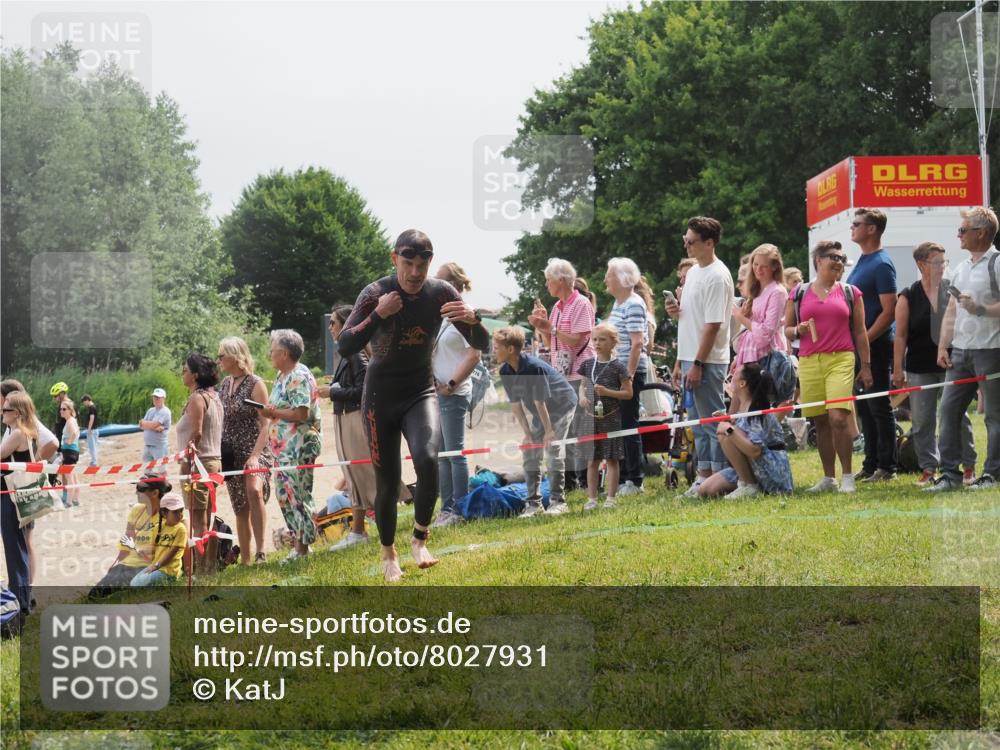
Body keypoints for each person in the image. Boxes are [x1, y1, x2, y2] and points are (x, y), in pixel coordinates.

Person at [338, 230, 489, 581]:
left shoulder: (441, 293)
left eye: (422, 265)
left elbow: (480, 344)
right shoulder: (376, 292)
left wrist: (473, 320)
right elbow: (345, 344)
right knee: (387, 481)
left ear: (430, 264)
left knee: (428, 458)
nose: (415, 273)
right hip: (379, 396)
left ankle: (420, 538)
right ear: (395, 259)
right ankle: (388, 553)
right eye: (408, 264)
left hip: (419, 391)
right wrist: (377, 315)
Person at [785, 240, 871, 493]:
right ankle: (828, 478)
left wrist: (865, 366)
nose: (838, 262)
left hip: (841, 358)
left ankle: (847, 476)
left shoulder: (851, 293)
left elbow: (860, 331)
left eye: (842, 258)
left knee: (838, 417)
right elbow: (787, 330)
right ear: (818, 260)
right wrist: (797, 329)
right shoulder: (798, 292)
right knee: (820, 421)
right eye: (833, 257)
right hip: (810, 360)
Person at [927, 206, 1000, 492]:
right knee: (947, 410)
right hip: (960, 352)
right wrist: (943, 346)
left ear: (980, 233)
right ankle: (949, 475)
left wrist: (981, 308)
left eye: (962, 230)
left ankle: (992, 474)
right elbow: (952, 310)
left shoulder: (997, 264)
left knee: (994, 416)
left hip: (992, 349)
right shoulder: (960, 267)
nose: (958, 235)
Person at [893, 242, 977, 487]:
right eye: (937, 262)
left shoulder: (953, 291)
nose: (942, 267)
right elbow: (900, 336)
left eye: (944, 262)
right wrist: (898, 369)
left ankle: (968, 466)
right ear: (921, 265)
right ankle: (929, 468)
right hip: (919, 366)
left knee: (957, 416)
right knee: (921, 420)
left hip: (952, 363)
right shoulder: (907, 295)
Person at [664, 217, 734, 497]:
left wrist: (698, 363)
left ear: (710, 243)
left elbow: (713, 324)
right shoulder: (693, 272)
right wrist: (675, 310)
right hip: (692, 358)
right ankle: (703, 475)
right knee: (698, 424)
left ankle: (718, 478)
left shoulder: (718, 275)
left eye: (691, 241)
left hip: (708, 361)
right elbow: (691, 319)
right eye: (685, 240)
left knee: (712, 423)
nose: (686, 245)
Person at [494, 325, 579, 516]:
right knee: (530, 454)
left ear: (510, 349)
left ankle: (558, 502)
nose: (494, 351)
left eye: (497, 347)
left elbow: (540, 403)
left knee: (553, 450)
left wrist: (549, 432)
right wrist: (528, 435)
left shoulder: (534, 367)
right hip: (543, 411)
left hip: (562, 404)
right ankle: (533, 504)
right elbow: (516, 405)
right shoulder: (505, 371)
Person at [528, 258, 595, 492]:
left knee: (582, 427)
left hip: (580, 372)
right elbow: (551, 342)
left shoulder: (581, 303)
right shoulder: (557, 307)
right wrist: (542, 326)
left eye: (548, 280)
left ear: (562, 280)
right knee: (564, 428)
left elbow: (578, 339)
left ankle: (586, 480)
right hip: (561, 375)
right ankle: (570, 482)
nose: (546, 284)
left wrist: (551, 328)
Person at [260, 329, 323, 562]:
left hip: (298, 447)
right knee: (284, 496)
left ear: (284, 353)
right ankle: (298, 545)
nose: (270, 354)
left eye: (273, 350)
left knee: (298, 496)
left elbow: (301, 413)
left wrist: (271, 412)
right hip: (283, 449)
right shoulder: (281, 376)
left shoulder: (298, 375)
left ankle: (304, 548)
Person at [432, 263, 485, 528]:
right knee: (442, 453)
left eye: (439, 280)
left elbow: (474, 354)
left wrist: (451, 384)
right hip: (436, 392)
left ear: (452, 285)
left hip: (454, 392)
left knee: (454, 452)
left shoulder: (465, 315)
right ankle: (447, 508)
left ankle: (460, 509)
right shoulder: (441, 315)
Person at [848, 208, 898, 482]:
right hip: (860, 345)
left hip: (876, 345)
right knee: (865, 406)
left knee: (879, 404)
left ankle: (886, 466)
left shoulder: (881, 263)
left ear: (872, 229)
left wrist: (865, 338)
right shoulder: (862, 261)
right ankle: (870, 463)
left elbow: (889, 310)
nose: (852, 228)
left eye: (857, 224)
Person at [697, 362, 793, 499]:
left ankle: (749, 486)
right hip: (752, 467)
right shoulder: (742, 410)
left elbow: (755, 451)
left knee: (724, 432)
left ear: (742, 384)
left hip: (773, 474)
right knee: (705, 491)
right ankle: (748, 483)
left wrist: (730, 430)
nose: (732, 374)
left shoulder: (756, 413)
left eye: (736, 372)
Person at [1, 380, 59, 605]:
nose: (2, 411)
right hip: (21, 493)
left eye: (6, 408)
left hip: (11, 495)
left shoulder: (16, 434)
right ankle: (23, 597)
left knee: (15, 548)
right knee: (20, 546)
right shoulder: (26, 431)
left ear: (16, 412)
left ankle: (20, 600)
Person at [218, 336, 272, 565]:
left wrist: (255, 456)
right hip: (231, 452)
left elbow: (266, 423)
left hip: (255, 448)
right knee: (240, 506)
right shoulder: (224, 384)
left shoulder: (255, 384)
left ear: (235, 356)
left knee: (255, 491)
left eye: (222, 355)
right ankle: (246, 560)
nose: (218, 359)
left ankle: (261, 551)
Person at [604, 257, 650, 496]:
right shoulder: (618, 304)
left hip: (628, 373)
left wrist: (628, 377)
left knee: (628, 425)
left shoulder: (633, 304)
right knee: (618, 425)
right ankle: (622, 477)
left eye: (609, 275)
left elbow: (637, 344)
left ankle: (635, 479)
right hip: (617, 372)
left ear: (622, 280)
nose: (605, 279)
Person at [576, 323, 633, 510]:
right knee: (592, 459)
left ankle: (611, 498)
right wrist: (582, 396)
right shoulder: (587, 365)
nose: (597, 343)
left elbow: (628, 393)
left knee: (611, 459)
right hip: (591, 418)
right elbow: (582, 385)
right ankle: (591, 499)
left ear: (612, 342)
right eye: (594, 339)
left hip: (611, 418)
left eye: (602, 339)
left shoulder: (618, 366)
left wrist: (608, 392)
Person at [88, 474, 173, 597]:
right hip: (129, 564)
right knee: (94, 595)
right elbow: (127, 538)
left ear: (155, 493)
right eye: (136, 488)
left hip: (148, 565)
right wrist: (117, 564)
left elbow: (178, 546)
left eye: (141, 489)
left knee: (122, 594)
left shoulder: (170, 515)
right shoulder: (137, 509)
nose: (136, 492)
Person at [175, 352, 223, 567]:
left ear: (195, 375)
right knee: (206, 515)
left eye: (184, 370)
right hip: (213, 461)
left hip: (198, 462)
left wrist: (187, 455)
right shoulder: (214, 396)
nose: (182, 373)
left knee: (197, 519)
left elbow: (197, 433)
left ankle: (202, 568)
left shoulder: (197, 398)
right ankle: (208, 565)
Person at [732, 244, 788, 375]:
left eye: (764, 266)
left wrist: (741, 318)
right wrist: (739, 356)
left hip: (766, 356)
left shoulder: (777, 292)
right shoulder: (756, 290)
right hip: (750, 353)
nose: (758, 269)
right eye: (755, 264)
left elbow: (765, 334)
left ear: (775, 267)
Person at [130, 493, 187, 587]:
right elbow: (154, 548)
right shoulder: (158, 527)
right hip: (158, 566)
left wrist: (156, 566)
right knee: (133, 583)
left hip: (169, 571)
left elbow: (172, 553)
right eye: (175, 512)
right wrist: (142, 552)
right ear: (164, 513)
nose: (180, 514)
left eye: (181, 511)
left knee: (136, 585)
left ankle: (173, 578)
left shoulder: (181, 529)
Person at [58, 398, 80, 508]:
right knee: (74, 476)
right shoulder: (72, 420)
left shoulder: (70, 421)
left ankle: (69, 501)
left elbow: (75, 433)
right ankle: (75, 499)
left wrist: (69, 441)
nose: (61, 411)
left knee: (69, 477)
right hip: (73, 451)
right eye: (60, 409)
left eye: (64, 409)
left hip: (69, 452)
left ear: (70, 410)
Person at [139, 388, 172, 463]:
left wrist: (148, 425)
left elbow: (153, 424)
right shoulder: (150, 410)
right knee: (147, 471)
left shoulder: (165, 411)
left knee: (161, 470)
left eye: (158, 397)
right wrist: (153, 426)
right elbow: (141, 425)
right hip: (147, 446)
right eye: (154, 397)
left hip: (159, 446)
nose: (155, 399)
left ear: (163, 398)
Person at [80, 394, 99, 467]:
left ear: (87, 400)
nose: (84, 404)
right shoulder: (94, 407)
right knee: (94, 446)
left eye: (84, 402)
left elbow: (92, 418)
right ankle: (94, 461)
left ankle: (94, 462)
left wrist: (89, 429)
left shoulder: (91, 407)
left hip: (92, 430)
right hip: (95, 429)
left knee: (92, 447)